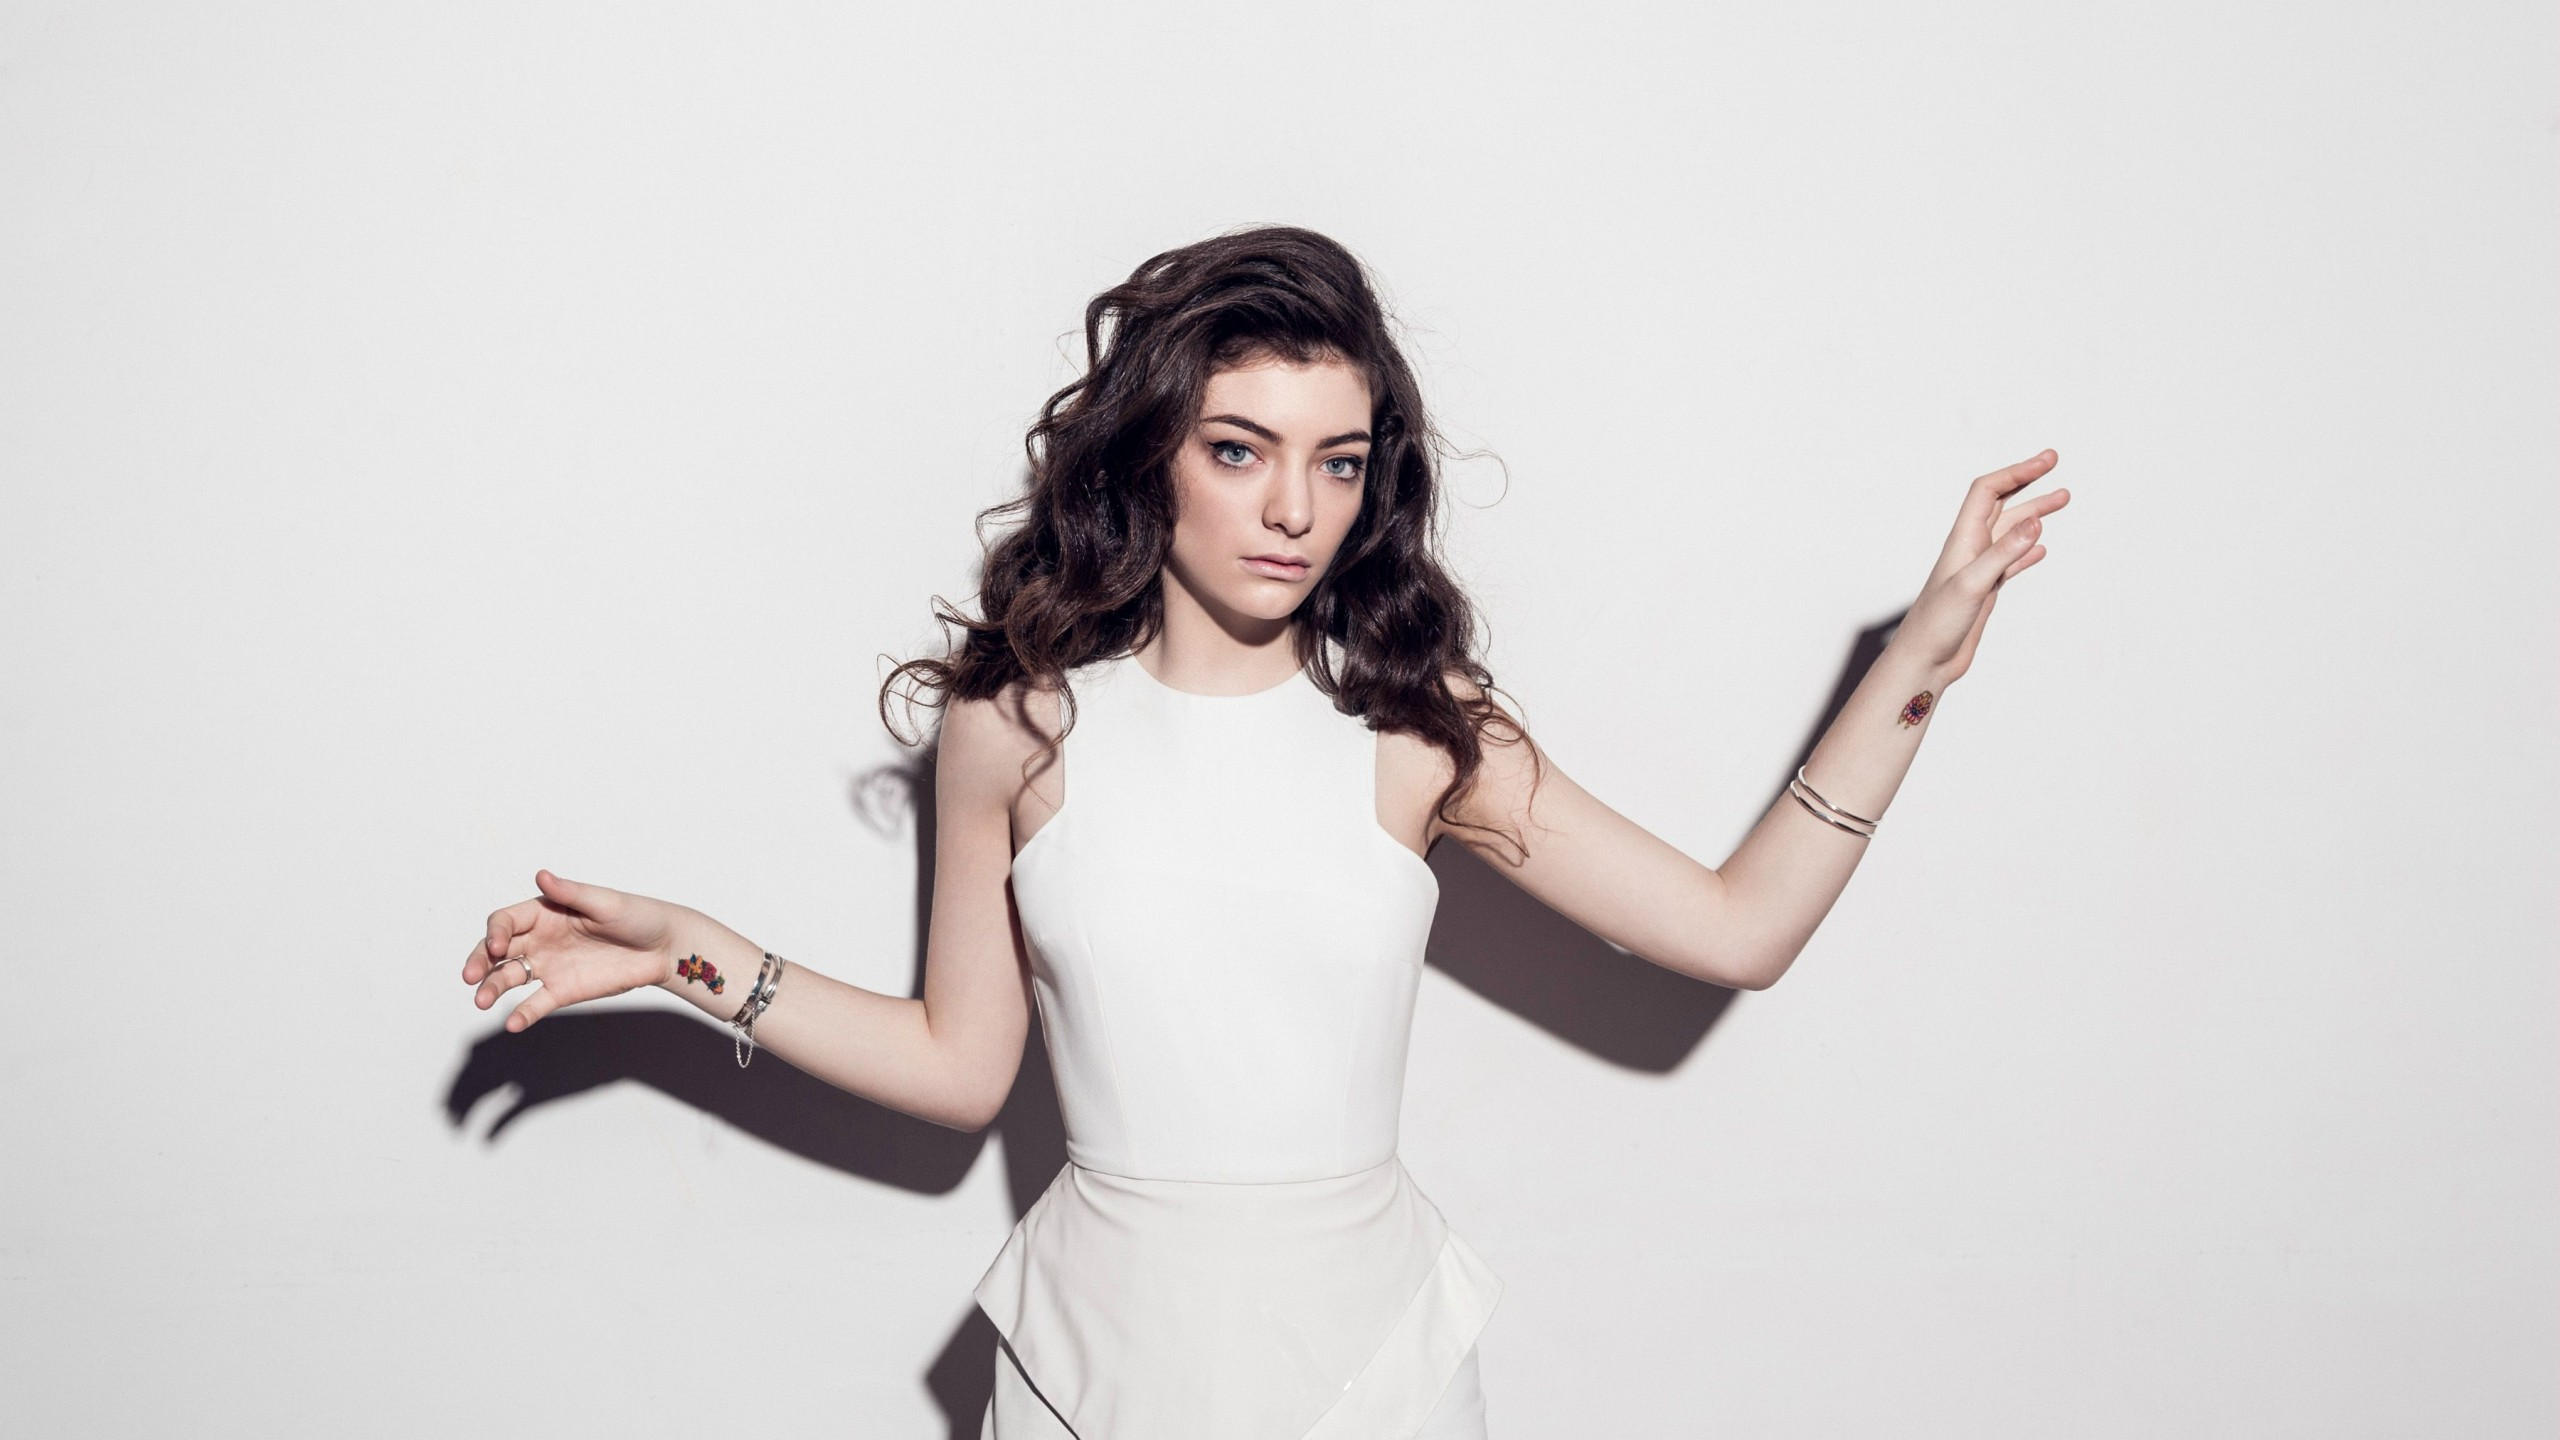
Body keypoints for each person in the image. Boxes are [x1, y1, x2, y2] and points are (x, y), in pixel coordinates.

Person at [458, 224, 2067, 1437]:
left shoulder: (1418, 729)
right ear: (1153, 457)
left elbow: (1737, 930)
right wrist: (689, 956)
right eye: (1241, 451)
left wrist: (1914, 662)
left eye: (1337, 463)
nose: (1295, 508)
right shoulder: (1018, 727)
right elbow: (959, 1071)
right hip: (1091, 1361)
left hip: (1374, 1369)